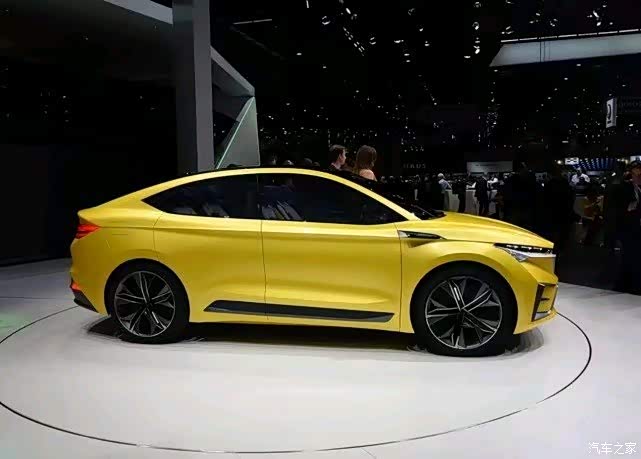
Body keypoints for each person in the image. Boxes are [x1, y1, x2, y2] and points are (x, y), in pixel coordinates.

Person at [618, 160, 641, 294]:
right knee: (629, 256)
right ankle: (625, 285)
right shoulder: (624, 188)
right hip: (628, 228)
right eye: (636, 174)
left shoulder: (639, 188)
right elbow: (621, 209)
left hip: (637, 227)